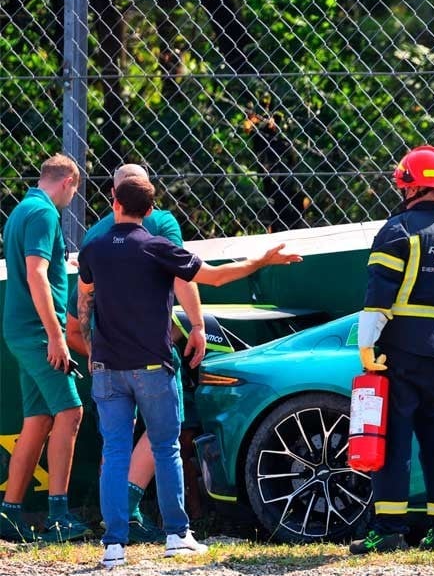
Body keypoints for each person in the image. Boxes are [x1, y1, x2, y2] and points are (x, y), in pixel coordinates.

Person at [78, 176, 301, 568]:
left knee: (115, 451)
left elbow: (84, 299)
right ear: (150, 211)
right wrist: (263, 260)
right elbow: (214, 277)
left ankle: (113, 546)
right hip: (152, 366)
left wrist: (94, 349)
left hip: (107, 368)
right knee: (166, 449)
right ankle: (177, 535)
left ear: (113, 201)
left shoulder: (93, 248)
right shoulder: (158, 247)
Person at [350, 146, 434, 554]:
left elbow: (378, 295)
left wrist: (367, 345)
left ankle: (388, 529)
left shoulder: (397, 230)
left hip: (396, 351)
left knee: (394, 439)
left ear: (411, 184)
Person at [66, 163, 202, 543]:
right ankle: (171, 529)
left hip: (104, 353)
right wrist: (198, 326)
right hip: (150, 350)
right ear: (148, 198)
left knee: (115, 442)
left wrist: (95, 351)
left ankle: (116, 534)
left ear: (114, 196)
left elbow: (78, 307)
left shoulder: (95, 236)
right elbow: (183, 275)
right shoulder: (160, 225)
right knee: (166, 437)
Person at [0, 154, 88, 543]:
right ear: (68, 181)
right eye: (75, 191)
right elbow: (36, 272)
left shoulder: (22, 210)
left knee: (39, 419)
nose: (72, 198)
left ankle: (10, 513)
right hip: (38, 332)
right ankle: (57, 516)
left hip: (23, 330)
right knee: (70, 411)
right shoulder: (44, 213)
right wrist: (56, 336)